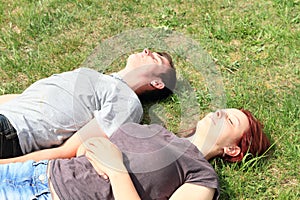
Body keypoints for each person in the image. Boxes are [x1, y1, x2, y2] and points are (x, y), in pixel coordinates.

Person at [0, 108, 271, 199]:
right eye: (224, 111)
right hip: (35, 171)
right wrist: (89, 149)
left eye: (230, 121)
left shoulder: (201, 176)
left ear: (232, 149)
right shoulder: (155, 130)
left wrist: (116, 168)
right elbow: (81, 152)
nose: (220, 113)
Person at [0, 48, 177, 160]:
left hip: (14, 132)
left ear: (157, 83)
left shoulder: (127, 102)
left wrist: (7, 166)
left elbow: (69, 150)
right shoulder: (99, 78)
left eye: (156, 59)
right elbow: (22, 98)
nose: (147, 51)